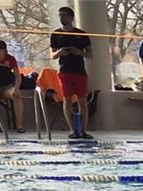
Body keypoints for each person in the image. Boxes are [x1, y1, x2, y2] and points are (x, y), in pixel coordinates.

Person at [50, 5, 93, 139]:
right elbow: (52, 55)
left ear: (71, 17)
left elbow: (90, 54)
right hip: (65, 71)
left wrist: (78, 52)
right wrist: (60, 52)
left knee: (82, 100)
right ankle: (72, 130)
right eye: (60, 15)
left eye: (64, 15)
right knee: (67, 100)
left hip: (79, 71)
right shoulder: (56, 34)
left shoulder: (81, 34)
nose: (62, 18)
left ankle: (83, 130)